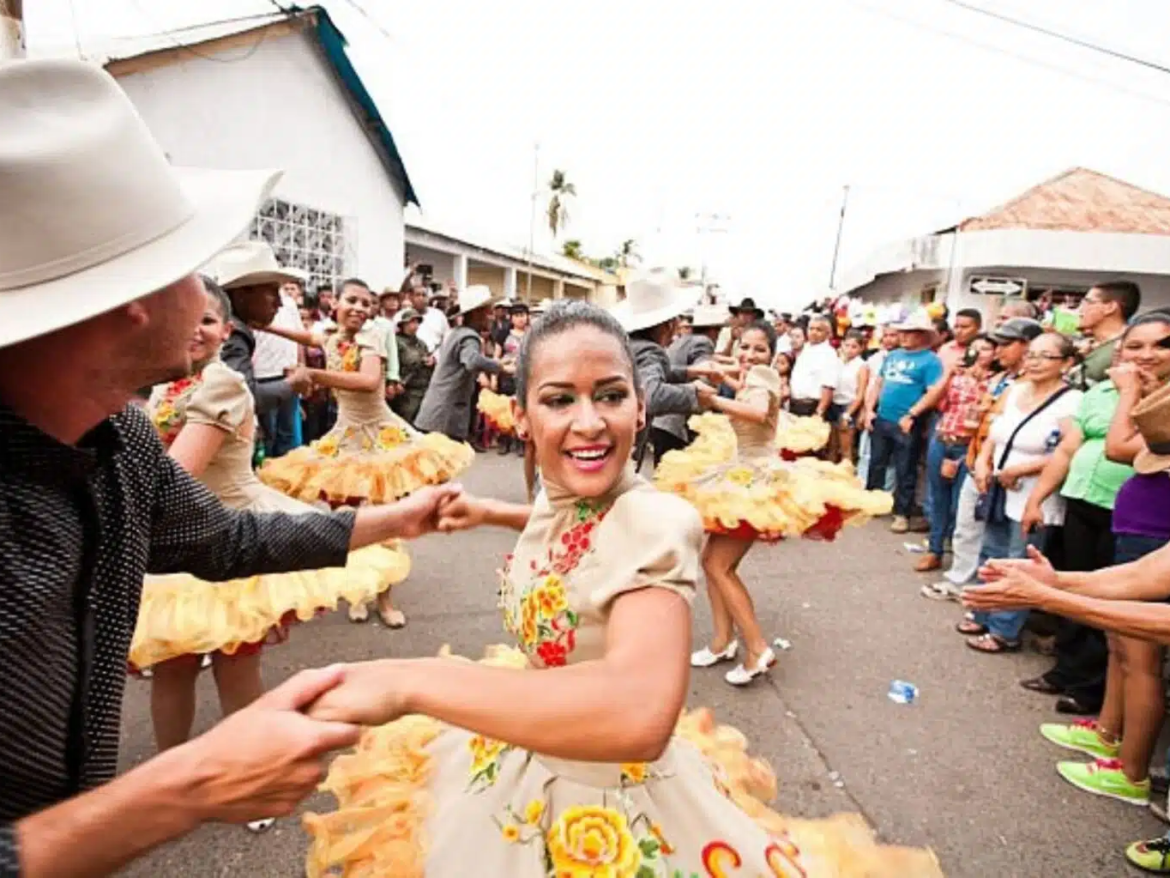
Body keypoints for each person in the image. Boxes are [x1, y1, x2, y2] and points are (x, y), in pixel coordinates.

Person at [0, 59, 460, 876]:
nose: (211, 309)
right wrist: (186, 787)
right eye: (192, 271)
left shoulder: (120, 441)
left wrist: (394, 519)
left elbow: (222, 539)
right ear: (131, 299)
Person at [297, 300, 940, 877]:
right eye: (558, 400)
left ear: (640, 403)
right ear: (520, 415)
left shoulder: (657, 520)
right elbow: (585, 533)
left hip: (611, 809)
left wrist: (411, 684)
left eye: (609, 395)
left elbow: (638, 713)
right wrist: (496, 514)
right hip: (520, 765)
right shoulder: (568, 494)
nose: (589, 423)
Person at [132, 279, 410, 813]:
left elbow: (172, 479)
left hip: (229, 535)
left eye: (208, 321)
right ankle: (173, 781)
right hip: (171, 549)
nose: (195, 330)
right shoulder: (161, 387)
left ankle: (248, 779)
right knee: (173, 665)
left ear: (226, 332)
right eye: (184, 318)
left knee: (236, 663)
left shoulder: (223, 385)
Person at [656, 321, 890, 686]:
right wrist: (723, 379)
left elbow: (756, 410)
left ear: (773, 354)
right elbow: (748, 393)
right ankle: (721, 642)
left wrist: (712, 398)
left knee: (719, 567)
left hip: (754, 481)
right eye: (744, 348)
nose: (749, 355)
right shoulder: (752, 376)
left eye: (759, 349)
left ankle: (756, 648)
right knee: (712, 562)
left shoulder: (763, 376)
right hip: (740, 472)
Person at [256, 282, 474, 627]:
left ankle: (385, 599)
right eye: (351, 301)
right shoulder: (327, 335)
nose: (359, 308)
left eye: (365, 303)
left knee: (387, 520)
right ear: (336, 304)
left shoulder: (371, 340)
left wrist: (313, 374)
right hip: (344, 438)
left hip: (381, 438)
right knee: (349, 520)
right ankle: (358, 592)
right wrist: (259, 323)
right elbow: (303, 337)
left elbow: (369, 381)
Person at [1019, 313, 1170, 716]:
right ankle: (1072, 677)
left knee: (1127, 629)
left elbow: (1119, 448)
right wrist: (1038, 497)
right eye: (1135, 346)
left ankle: (1094, 696)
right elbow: (1071, 447)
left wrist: (1130, 393)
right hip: (1088, 502)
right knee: (1085, 593)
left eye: (1160, 345)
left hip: (1148, 523)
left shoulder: (1153, 397)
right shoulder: (1102, 391)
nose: (1146, 355)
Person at [959, 333, 1081, 653]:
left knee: (1020, 558)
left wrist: (1018, 470)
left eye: (1046, 356)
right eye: (1031, 355)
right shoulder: (1016, 390)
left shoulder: (1072, 401)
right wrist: (984, 464)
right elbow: (994, 435)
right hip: (998, 484)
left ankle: (1005, 630)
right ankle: (983, 611)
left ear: (1067, 363)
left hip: (1034, 492)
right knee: (992, 552)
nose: (1035, 362)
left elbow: (1068, 451)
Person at [920, 318, 1043, 600]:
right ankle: (961, 582)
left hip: (1010, 470)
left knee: (1001, 540)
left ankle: (990, 595)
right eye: (996, 344)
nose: (998, 350)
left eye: (1006, 344)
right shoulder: (1001, 380)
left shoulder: (1030, 385)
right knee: (967, 527)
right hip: (978, 460)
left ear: (1028, 347)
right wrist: (975, 458)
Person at [614, 270, 720, 467]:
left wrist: (691, 372)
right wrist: (693, 394)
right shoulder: (649, 350)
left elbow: (645, 377)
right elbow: (650, 394)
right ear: (668, 325)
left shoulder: (627, 345)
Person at [910, 336, 996, 572]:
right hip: (943, 438)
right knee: (938, 498)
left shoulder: (996, 382)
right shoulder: (955, 376)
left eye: (985, 349)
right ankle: (934, 549)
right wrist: (949, 374)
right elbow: (936, 401)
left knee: (961, 505)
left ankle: (960, 558)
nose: (978, 353)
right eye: (974, 349)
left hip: (969, 446)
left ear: (995, 354)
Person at [862, 311, 944, 533]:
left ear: (922, 335)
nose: (903, 336)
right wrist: (869, 410)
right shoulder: (893, 355)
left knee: (905, 468)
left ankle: (902, 513)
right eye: (903, 332)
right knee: (876, 462)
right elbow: (878, 383)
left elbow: (934, 392)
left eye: (909, 332)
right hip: (883, 417)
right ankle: (871, 503)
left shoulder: (931, 361)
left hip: (907, 422)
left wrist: (913, 414)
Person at [217, 243, 314, 418]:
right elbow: (242, 398)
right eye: (272, 292)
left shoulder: (229, 325)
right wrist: (293, 384)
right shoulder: (234, 334)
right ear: (241, 295)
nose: (280, 302)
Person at [415, 285, 507, 441]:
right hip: (445, 417)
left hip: (436, 413)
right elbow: (472, 361)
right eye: (489, 312)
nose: (492, 317)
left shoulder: (457, 333)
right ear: (477, 313)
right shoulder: (469, 337)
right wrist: (501, 367)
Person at [653, 303, 727, 453]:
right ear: (713, 330)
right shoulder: (703, 342)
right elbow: (705, 374)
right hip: (676, 422)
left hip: (660, 420)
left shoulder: (681, 341)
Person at [251, 271, 306, 457]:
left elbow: (300, 338)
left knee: (289, 434)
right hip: (262, 377)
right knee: (268, 435)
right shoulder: (253, 303)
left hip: (289, 374)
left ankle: (287, 479)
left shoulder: (289, 303)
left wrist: (301, 366)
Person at [1073, 281, 1142, 388]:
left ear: (1110, 307)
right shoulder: (1091, 346)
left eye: (1088, 302)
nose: (1080, 309)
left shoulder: (1125, 348)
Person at [788, 314, 839, 419]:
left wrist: (819, 412)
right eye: (811, 329)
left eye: (819, 330)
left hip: (811, 407)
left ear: (827, 333)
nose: (814, 332)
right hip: (795, 404)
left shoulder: (828, 353)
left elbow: (828, 386)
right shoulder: (805, 348)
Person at [391, 308, 434, 425]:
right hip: (406, 390)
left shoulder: (421, 344)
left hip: (423, 389)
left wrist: (431, 361)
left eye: (416, 322)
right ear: (403, 324)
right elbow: (392, 364)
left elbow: (428, 357)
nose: (414, 325)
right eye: (411, 322)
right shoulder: (396, 342)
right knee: (404, 423)